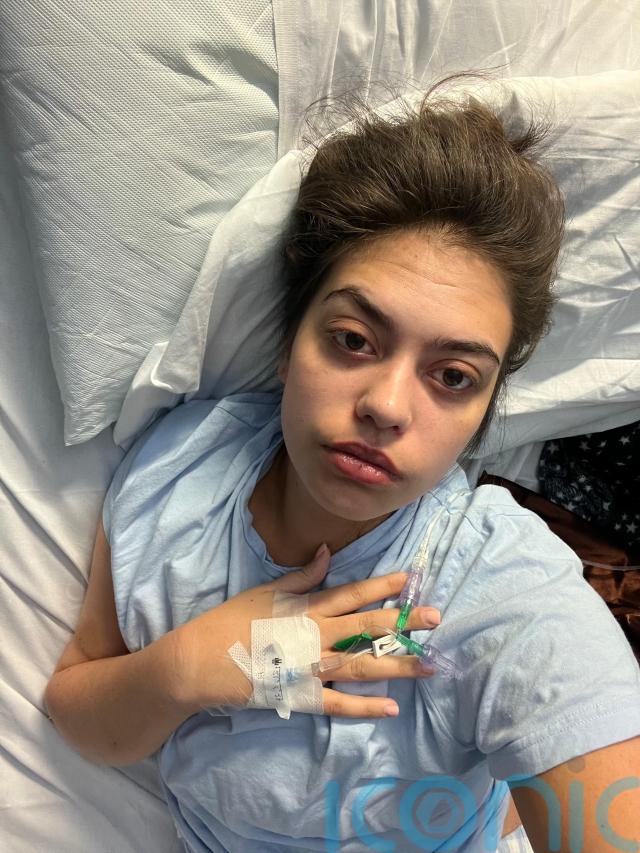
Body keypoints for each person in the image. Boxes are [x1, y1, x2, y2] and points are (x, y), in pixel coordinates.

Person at [44, 87, 640, 853]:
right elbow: (77, 701)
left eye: (452, 376)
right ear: (289, 340)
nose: (386, 405)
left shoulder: (490, 583)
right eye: (355, 339)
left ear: (483, 413)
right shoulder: (180, 472)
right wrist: (186, 667)